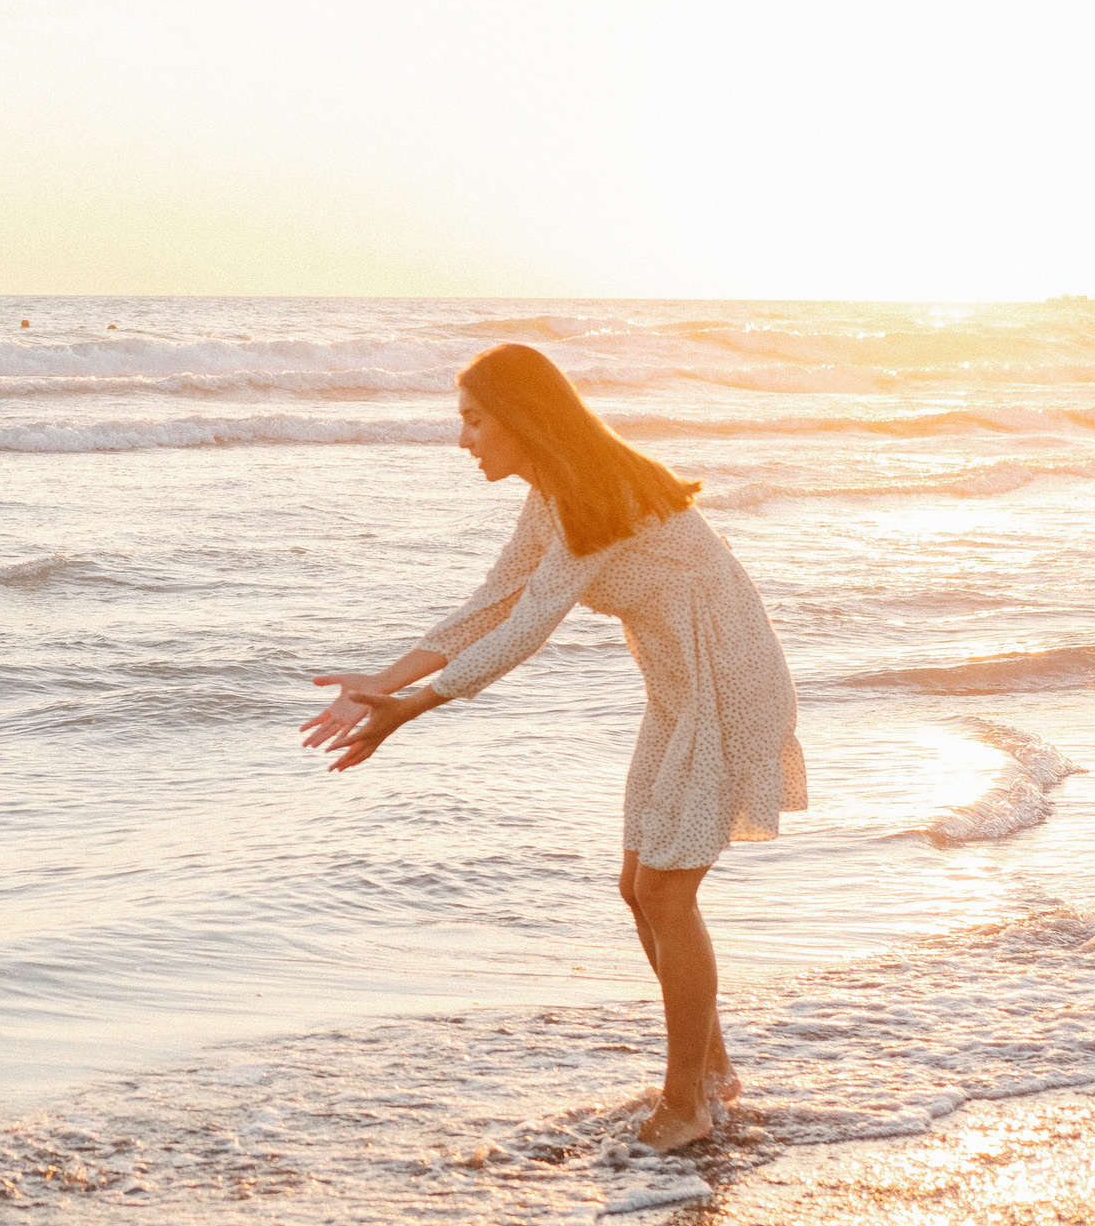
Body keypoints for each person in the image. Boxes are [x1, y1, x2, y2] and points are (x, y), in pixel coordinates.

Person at [303, 344, 805, 1151]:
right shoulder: (550, 498)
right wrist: (381, 679)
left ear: (521, 419)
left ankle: (688, 1104)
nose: (463, 440)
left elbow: (528, 629)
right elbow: (489, 605)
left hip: (728, 682)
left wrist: (410, 708)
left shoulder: (590, 496)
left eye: (473, 420)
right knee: (639, 887)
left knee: (668, 893)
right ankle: (711, 1073)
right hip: (680, 688)